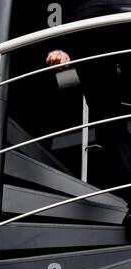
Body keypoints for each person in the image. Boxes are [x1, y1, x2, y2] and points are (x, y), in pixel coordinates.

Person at [46, 0, 131, 231]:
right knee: (107, 118)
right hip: (91, 21)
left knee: (107, 119)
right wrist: (62, 47)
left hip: (89, 23)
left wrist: (61, 47)